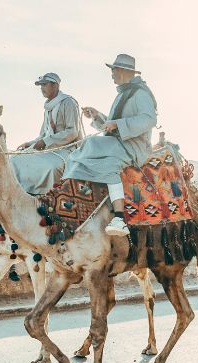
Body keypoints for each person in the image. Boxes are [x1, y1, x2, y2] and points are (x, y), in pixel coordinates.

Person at [63, 53, 158, 235]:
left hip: (134, 147)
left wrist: (118, 124)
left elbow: (149, 119)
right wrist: (97, 116)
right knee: (82, 149)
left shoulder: (140, 93)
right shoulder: (124, 93)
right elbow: (111, 125)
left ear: (123, 71)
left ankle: (119, 218)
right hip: (119, 142)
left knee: (97, 153)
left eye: (114, 70)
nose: (112, 73)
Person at [12, 72, 84, 195]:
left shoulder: (68, 102)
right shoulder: (48, 107)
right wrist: (29, 143)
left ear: (55, 85)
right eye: (41, 86)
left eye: (44, 85)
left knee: (51, 167)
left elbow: (72, 132)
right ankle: (22, 194)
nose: (42, 88)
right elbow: (43, 134)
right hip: (48, 148)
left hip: (67, 148)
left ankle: (48, 198)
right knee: (15, 160)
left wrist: (46, 142)